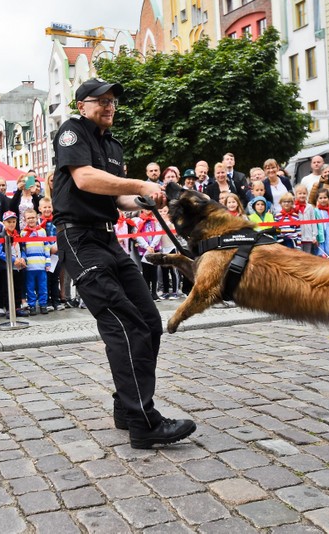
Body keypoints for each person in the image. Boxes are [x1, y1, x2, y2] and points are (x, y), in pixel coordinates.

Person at [52, 77, 195, 448]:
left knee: (149, 323)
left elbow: (117, 200)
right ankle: (143, 422)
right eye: (100, 100)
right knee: (125, 324)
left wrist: (146, 202)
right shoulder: (72, 132)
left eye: (112, 101)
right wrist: (140, 185)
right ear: (81, 105)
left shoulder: (113, 145)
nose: (108, 106)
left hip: (108, 237)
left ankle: (126, 407)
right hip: (79, 238)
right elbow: (84, 180)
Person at [19, 208, 50, 315]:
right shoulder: (23, 233)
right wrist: (24, 261)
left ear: (37, 218)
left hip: (41, 265)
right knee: (30, 287)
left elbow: (46, 247)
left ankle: (43, 304)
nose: (31, 220)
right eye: (28, 218)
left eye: (33, 217)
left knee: (43, 286)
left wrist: (48, 262)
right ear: (24, 220)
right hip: (29, 266)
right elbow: (23, 250)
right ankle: (32, 305)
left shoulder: (42, 231)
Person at [134, 208, 162, 300]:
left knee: (154, 271)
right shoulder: (138, 221)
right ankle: (147, 293)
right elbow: (137, 234)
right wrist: (146, 246)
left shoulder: (155, 220)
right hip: (144, 249)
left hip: (154, 249)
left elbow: (159, 233)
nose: (147, 210)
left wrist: (152, 246)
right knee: (145, 272)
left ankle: (154, 292)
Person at [294, 184, 317, 254]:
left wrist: (314, 236)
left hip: (308, 236)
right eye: (300, 193)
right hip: (297, 236)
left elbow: (313, 221)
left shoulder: (310, 207)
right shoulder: (293, 207)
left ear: (307, 194)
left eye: (304, 193)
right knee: (299, 255)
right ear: (296, 195)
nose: (302, 195)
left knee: (307, 254)